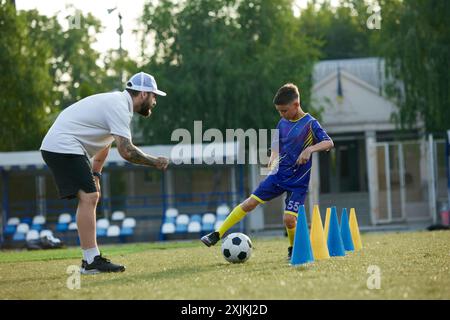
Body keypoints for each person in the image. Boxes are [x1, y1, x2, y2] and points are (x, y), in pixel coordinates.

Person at [40, 72, 169, 274]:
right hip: (63, 145)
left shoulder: (118, 104)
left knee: (91, 196)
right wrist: (155, 162)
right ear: (143, 94)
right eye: (154, 96)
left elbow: (105, 145)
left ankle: (90, 260)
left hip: (63, 146)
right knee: (89, 197)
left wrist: (96, 173)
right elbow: (127, 151)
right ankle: (91, 261)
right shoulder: (119, 106)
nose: (155, 101)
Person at [201, 83, 334, 259]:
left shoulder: (310, 123)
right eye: (279, 111)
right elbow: (276, 145)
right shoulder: (282, 123)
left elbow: (329, 143)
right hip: (278, 176)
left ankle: (293, 249)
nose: (281, 114)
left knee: (289, 219)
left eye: (284, 110)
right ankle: (217, 234)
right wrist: (272, 158)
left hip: (298, 183)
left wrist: (309, 150)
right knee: (249, 203)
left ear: (296, 105)